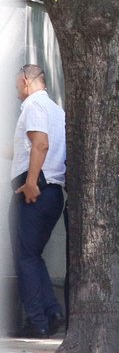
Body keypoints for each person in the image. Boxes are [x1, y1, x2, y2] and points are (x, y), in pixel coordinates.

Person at [9, 64, 66, 338]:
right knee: (34, 256)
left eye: (16, 86)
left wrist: (31, 182)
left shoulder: (33, 105)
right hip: (53, 191)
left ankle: (37, 322)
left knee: (25, 257)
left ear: (25, 80)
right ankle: (52, 312)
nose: (16, 92)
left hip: (35, 189)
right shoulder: (56, 110)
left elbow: (40, 144)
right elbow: (29, 146)